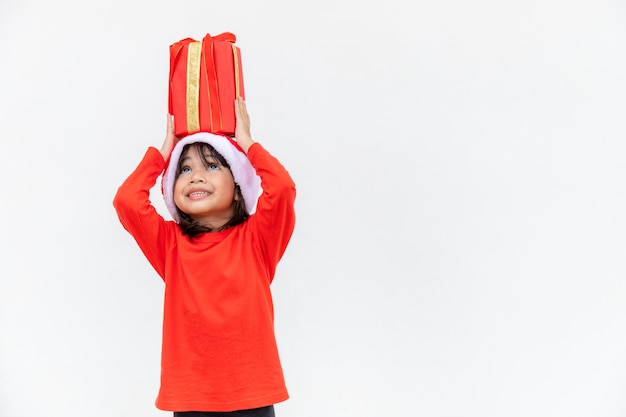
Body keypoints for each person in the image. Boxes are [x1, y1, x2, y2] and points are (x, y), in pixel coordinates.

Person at [113, 98, 296, 417]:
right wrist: (162, 154)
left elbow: (281, 189)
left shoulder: (256, 239)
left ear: (238, 187)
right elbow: (127, 201)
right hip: (190, 397)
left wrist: (248, 144)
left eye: (212, 165)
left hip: (251, 393)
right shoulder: (170, 245)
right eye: (184, 169)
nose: (195, 177)